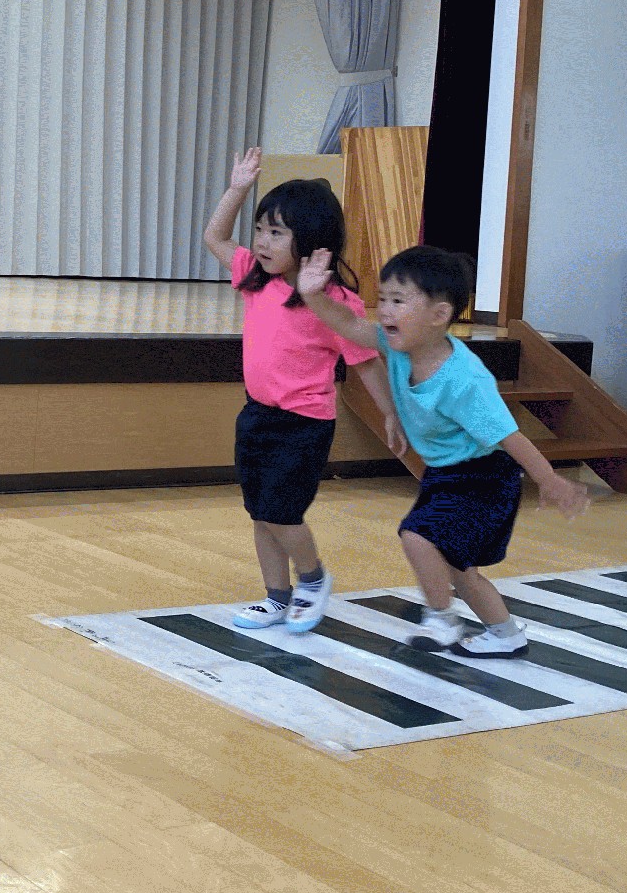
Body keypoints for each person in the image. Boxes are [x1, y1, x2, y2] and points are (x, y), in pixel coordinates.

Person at [295, 244, 590, 656]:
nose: (385, 310)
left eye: (399, 301)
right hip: (446, 474)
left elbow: (511, 437)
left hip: (484, 478)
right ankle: (505, 634)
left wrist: (549, 481)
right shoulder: (398, 348)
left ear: (439, 315)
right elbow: (347, 324)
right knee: (457, 568)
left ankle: (440, 618)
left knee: (418, 536)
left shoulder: (464, 380)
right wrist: (312, 295)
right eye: (383, 299)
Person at [202, 150, 396, 634]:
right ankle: (276, 596)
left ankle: (312, 579)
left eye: (276, 233)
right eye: (260, 229)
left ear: (310, 241)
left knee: (282, 511)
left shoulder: (334, 302)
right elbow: (214, 237)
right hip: (256, 416)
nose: (262, 241)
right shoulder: (254, 278)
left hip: (304, 424)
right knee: (261, 513)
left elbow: (366, 362)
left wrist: (391, 414)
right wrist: (237, 189)